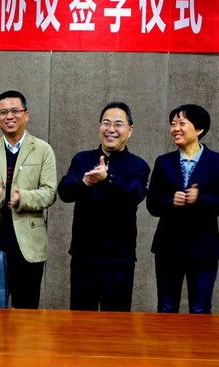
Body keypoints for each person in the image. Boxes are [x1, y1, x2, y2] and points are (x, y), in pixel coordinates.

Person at [57, 102, 150, 312]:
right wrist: (85, 182)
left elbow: (134, 195)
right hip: (83, 258)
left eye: (118, 124)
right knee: (80, 323)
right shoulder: (82, 159)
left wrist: (107, 179)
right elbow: (64, 192)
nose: (111, 129)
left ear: (130, 130)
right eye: (106, 123)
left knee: (116, 325)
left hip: (119, 261)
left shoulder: (138, 165)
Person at [146, 104, 219, 314]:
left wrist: (200, 198)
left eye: (182, 123)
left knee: (200, 309)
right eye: (172, 124)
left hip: (203, 248)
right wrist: (171, 201)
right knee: (166, 307)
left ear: (199, 129)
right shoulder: (163, 162)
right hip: (168, 248)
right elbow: (152, 204)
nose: (175, 128)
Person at [0, 90, 56, 309]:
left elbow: (49, 192)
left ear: (26, 114)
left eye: (15, 111)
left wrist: (22, 197)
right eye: (3, 112)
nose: (9, 116)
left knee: (26, 312)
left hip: (28, 244)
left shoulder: (43, 150)